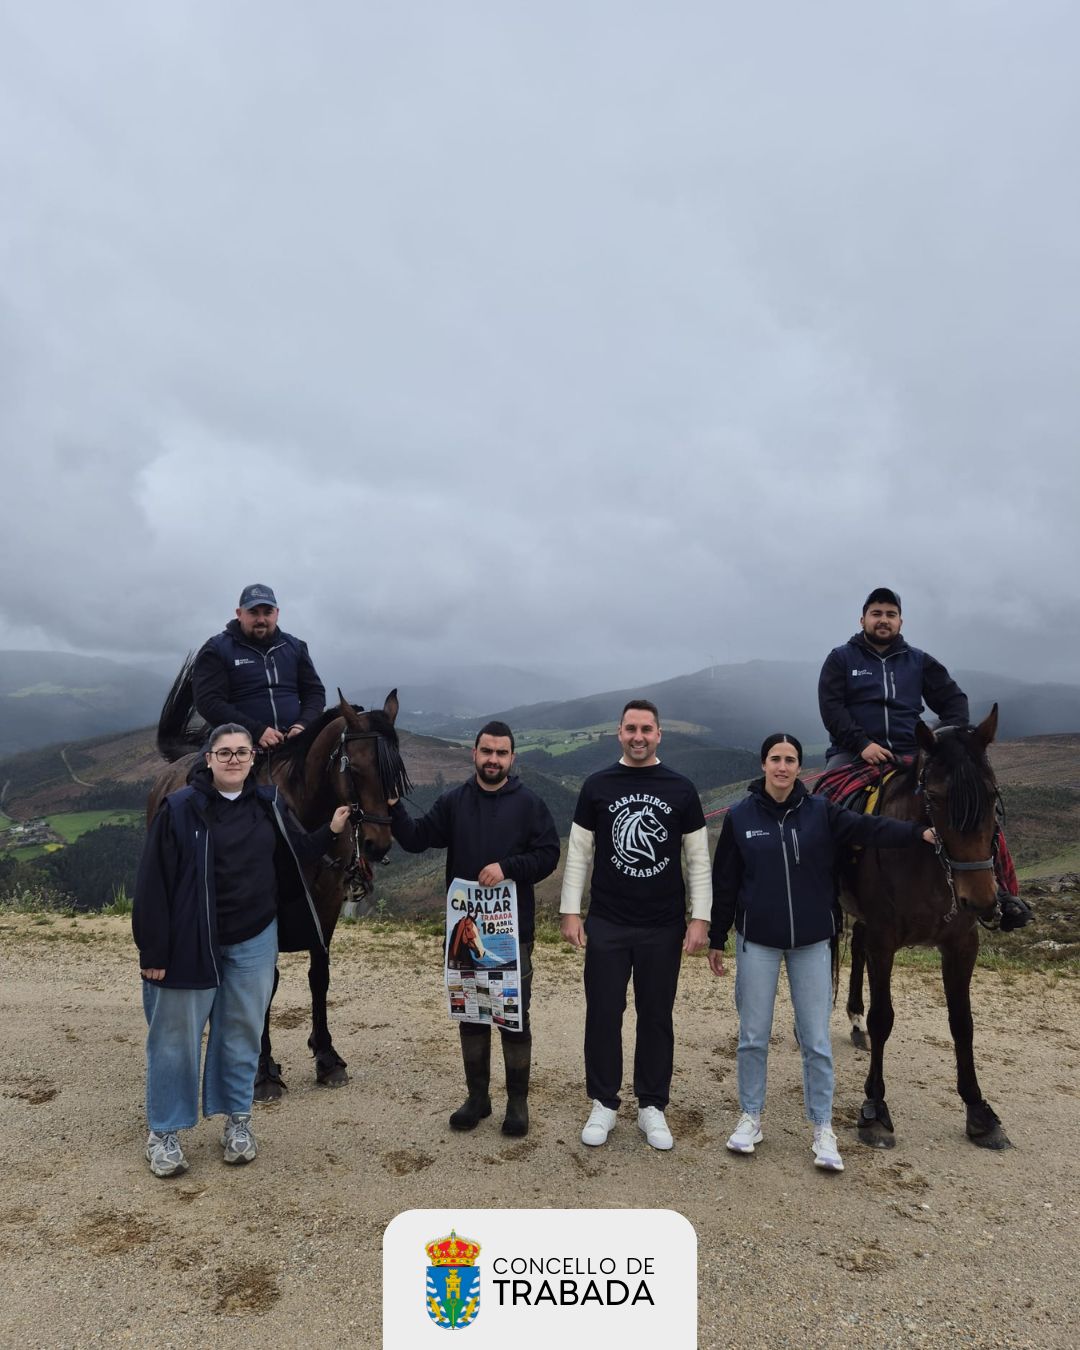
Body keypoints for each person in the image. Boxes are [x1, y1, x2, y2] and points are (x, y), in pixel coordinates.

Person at [709, 733, 938, 1172]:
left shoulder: (822, 812)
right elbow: (726, 882)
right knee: (753, 1037)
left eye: (790, 759)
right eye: (775, 759)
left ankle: (822, 1128)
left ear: (800, 766)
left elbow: (872, 828)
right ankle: (751, 1118)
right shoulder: (740, 818)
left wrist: (918, 832)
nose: (782, 766)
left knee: (815, 1041)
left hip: (813, 943)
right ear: (763, 765)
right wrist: (718, 937)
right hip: (757, 941)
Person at [133, 722, 350, 1178]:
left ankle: (237, 1123)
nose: (234, 759)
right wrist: (152, 952)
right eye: (224, 752)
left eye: (242, 752)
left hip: (253, 940)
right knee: (174, 1040)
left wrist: (331, 830)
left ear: (254, 759)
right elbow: (152, 885)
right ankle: (164, 1133)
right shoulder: (179, 809)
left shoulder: (269, 805)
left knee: (242, 1033)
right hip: (189, 941)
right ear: (208, 760)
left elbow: (297, 852)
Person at [818, 586, 1031, 929]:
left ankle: (1004, 892)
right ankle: (824, 894)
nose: (883, 620)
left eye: (890, 614)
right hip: (854, 755)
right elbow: (832, 709)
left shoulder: (918, 661)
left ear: (901, 621)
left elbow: (954, 700)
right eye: (877, 614)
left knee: (977, 799)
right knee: (823, 808)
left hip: (911, 753)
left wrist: (945, 740)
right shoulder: (841, 659)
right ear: (863, 620)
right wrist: (861, 744)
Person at [388, 721, 560, 1137]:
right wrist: (393, 807)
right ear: (474, 754)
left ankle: (517, 1104)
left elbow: (549, 854)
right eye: (487, 752)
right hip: (462, 934)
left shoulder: (529, 804)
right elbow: (416, 839)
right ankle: (477, 1098)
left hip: (512, 932)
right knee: (471, 1012)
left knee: (513, 1016)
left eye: (501, 753)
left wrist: (508, 868)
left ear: (512, 758)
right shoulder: (454, 802)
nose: (493, 760)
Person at [560, 700, 711, 1152]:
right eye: (631, 728)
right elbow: (580, 854)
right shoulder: (597, 785)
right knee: (603, 1014)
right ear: (619, 733)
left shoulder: (681, 789)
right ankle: (604, 1103)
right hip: (607, 921)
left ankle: (651, 1106)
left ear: (659, 734)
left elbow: (698, 860)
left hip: (663, 925)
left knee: (657, 1016)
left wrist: (699, 918)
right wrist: (571, 909)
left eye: (647, 728)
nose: (638, 735)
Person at [192, 584, 326, 750]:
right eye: (253, 612)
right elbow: (208, 702)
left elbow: (314, 692)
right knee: (201, 774)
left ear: (277, 613)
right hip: (236, 743)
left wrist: (302, 725)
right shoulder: (217, 649)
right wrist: (256, 731)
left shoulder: (294, 647)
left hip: (296, 741)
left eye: (267, 612)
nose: (261, 620)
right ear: (239, 614)